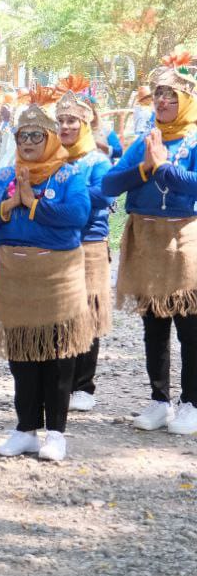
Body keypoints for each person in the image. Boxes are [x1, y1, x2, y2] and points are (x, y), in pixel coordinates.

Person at [0, 97, 91, 461]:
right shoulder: (4, 176)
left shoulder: (69, 175)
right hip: (16, 274)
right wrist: (9, 204)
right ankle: (25, 429)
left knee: (57, 352)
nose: (28, 142)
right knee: (21, 353)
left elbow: (77, 215)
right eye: (22, 135)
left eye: (37, 135)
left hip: (57, 275)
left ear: (51, 138)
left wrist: (34, 204)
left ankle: (56, 433)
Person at [104, 54, 197, 435]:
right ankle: (159, 401)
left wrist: (164, 168)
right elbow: (109, 184)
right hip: (145, 235)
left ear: (187, 100)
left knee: (190, 325)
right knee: (154, 324)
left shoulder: (194, 139)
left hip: (185, 235)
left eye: (171, 95)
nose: (162, 101)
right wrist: (144, 167)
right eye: (158, 94)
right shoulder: (145, 140)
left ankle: (191, 403)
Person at [55, 77, 114, 413]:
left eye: (72, 121)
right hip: (57, 243)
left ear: (85, 124)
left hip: (90, 242)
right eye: (61, 121)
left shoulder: (98, 160)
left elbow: (104, 196)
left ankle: (83, 385)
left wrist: (66, 192)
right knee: (60, 312)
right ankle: (59, 382)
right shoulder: (51, 158)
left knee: (88, 313)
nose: (65, 126)